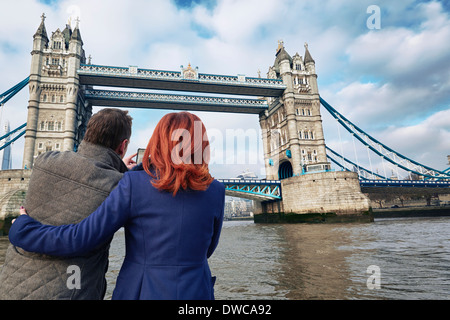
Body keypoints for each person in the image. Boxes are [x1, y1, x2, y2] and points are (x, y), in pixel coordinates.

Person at [9, 111, 225, 300]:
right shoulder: (216, 191)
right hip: (198, 290)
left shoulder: (133, 184)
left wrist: (23, 229)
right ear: (201, 145)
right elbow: (207, 250)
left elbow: (82, 238)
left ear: (158, 142)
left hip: (141, 290)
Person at [0, 108, 135, 300]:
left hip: (11, 287)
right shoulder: (119, 186)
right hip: (71, 293)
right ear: (123, 147)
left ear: (87, 133)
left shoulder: (44, 162)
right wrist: (123, 171)